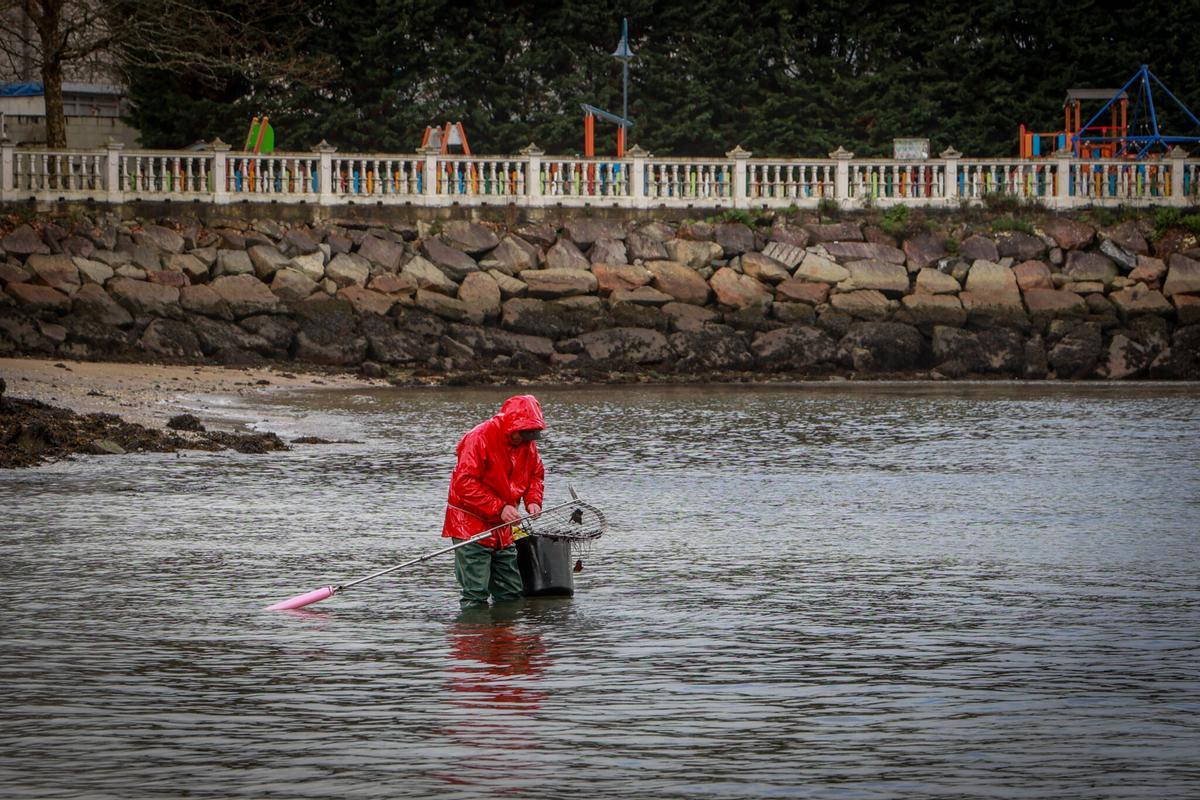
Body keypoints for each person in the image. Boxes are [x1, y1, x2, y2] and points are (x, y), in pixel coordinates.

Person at [442, 394, 546, 607]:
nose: (526, 440)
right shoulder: (478, 438)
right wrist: (499, 507)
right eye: (523, 434)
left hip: (503, 527)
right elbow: (464, 484)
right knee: (475, 593)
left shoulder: (527, 443)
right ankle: (474, 636)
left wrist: (533, 500)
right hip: (469, 525)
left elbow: (536, 473)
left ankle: (504, 639)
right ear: (510, 426)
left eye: (530, 435)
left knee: (510, 591)